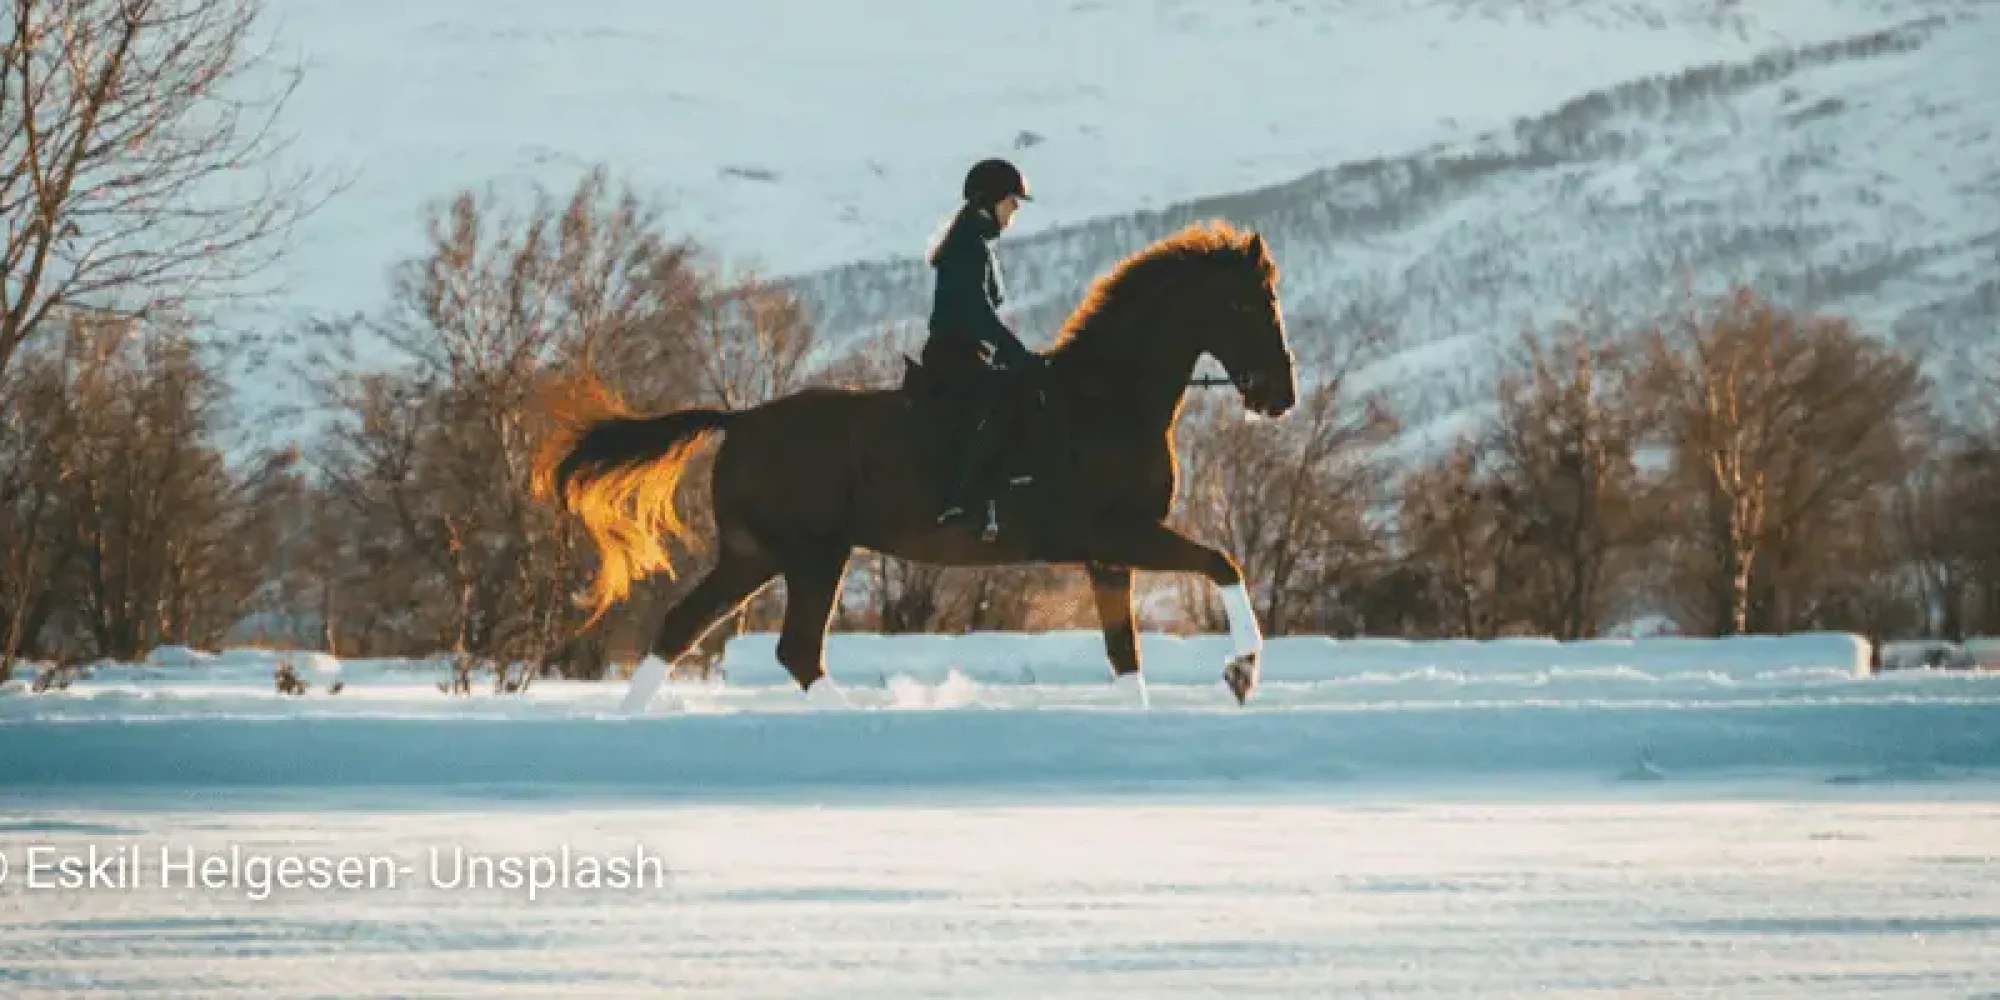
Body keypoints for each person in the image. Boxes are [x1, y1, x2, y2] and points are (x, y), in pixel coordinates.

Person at [923, 157, 1041, 536]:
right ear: (989, 202)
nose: (1016, 208)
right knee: (1004, 400)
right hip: (955, 356)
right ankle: (962, 501)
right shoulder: (969, 247)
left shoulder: (971, 243)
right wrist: (1017, 356)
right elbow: (977, 312)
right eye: (1011, 200)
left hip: (966, 353)